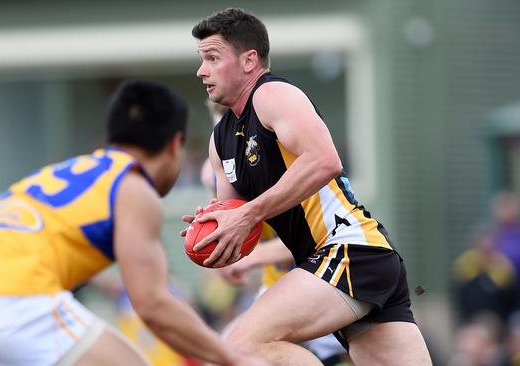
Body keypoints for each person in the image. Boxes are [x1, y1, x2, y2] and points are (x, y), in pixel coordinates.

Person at [0, 81, 266, 366]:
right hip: (16, 307)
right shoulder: (132, 186)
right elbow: (153, 304)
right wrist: (235, 359)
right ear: (175, 144)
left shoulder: (58, 173)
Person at [184, 8, 432, 365]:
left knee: (240, 347)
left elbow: (325, 160)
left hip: (349, 250)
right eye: (200, 59)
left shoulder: (272, 96)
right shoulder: (220, 140)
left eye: (212, 58)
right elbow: (236, 221)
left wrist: (248, 215)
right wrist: (213, 234)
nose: (201, 71)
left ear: (249, 60)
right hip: (343, 261)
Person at [202, 101, 349, 365]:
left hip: (328, 271)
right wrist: (215, 242)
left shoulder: (285, 157)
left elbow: (312, 233)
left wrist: (253, 257)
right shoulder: (218, 170)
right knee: (230, 351)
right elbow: (229, 226)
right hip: (278, 282)